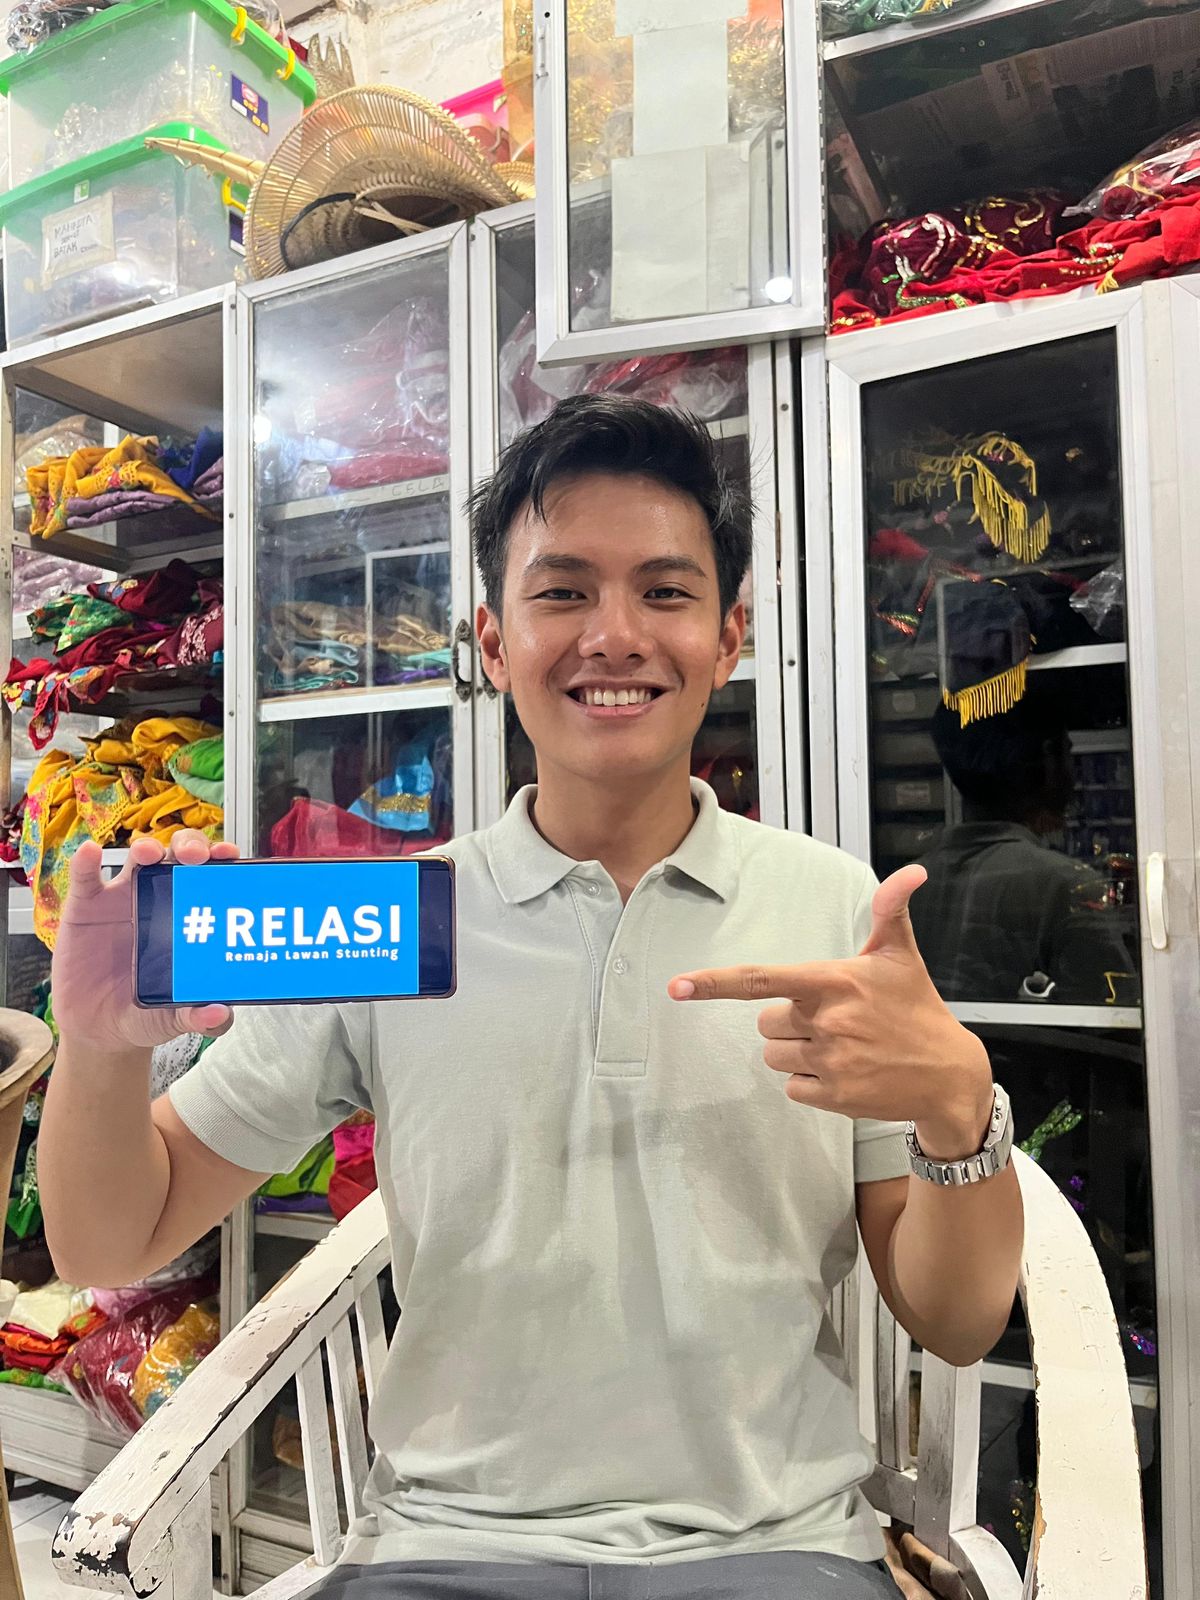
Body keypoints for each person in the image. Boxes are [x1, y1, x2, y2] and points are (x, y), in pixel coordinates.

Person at [39, 397, 1023, 1600]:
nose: (615, 634)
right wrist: (98, 1045)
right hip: (442, 1550)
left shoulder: (835, 909)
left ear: (729, 636)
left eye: (665, 591)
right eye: (562, 591)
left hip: (774, 1551)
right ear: (493, 643)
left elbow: (958, 1321)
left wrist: (958, 1109)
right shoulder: (393, 921)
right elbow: (108, 1240)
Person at [911, 697, 1138, 1005]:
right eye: (1067, 753)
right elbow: (1113, 1009)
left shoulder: (909, 885)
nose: (1073, 775)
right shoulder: (1068, 885)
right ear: (1048, 761)